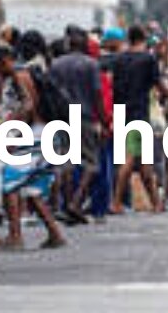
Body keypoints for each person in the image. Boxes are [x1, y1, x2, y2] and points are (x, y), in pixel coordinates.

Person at [0, 45, 66, 250]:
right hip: (44, 133)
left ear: (4, 60)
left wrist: (13, 127)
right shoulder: (28, 73)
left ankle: (15, 236)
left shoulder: (18, 76)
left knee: (9, 183)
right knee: (32, 190)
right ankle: (55, 234)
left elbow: (29, 105)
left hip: (33, 135)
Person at [48, 28, 106, 223]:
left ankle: (66, 204)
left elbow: (51, 92)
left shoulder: (55, 64)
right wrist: (104, 120)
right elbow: (97, 94)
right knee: (90, 162)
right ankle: (77, 200)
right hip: (85, 116)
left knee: (66, 161)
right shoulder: (91, 64)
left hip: (62, 116)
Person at [110, 25, 168, 215]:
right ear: (143, 38)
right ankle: (116, 202)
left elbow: (114, 87)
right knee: (129, 158)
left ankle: (156, 203)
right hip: (138, 114)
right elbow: (158, 85)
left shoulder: (118, 59)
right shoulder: (148, 59)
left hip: (121, 112)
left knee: (144, 162)